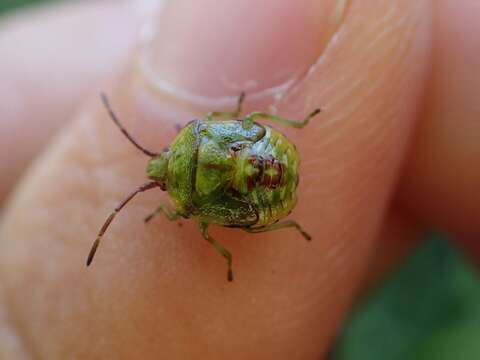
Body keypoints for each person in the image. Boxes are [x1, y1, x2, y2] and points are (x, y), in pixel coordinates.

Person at [0, 1, 478, 358]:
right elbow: (233, 114)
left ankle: (288, 223)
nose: (159, 169)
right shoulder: (196, 133)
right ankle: (300, 142)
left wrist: (166, 209)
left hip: (268, 198)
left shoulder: (185, 206)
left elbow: (217, 228)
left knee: (228, 232)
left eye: (164, 166)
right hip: (274, 149)